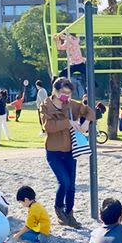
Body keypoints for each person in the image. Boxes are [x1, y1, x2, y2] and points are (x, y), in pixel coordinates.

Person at [40, 77, 95, 229]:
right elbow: (48, 126)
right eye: (63, 93)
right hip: (53, 152)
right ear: (55, 90)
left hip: (71, 151)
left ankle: (69, 214)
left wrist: (85, 124)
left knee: (71, 186)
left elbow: (89, 111)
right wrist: (68, 122)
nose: (66, 96)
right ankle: (59, 209)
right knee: (64, 182)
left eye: (69, 93)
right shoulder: (45, 106)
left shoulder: (70, 105)